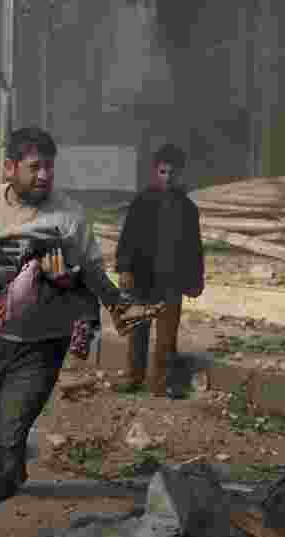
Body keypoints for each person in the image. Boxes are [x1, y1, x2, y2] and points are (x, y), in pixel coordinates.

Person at [0, 126, 129, 537]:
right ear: (11, 167)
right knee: (1, 429)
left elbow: (92, 276)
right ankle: (12, 470)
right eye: (35, 166)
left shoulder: (69, 218)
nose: (44, 175)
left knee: (7, 434)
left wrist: (84, 288)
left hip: (43, 346)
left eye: (50, 167)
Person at [114, 144, 205, 398]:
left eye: (172, 173)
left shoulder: (188, 209)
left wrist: (196, 280)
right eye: (163, 172)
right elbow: (128, 238)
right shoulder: (142, 202)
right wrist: (124, 269)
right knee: (137, 333)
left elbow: (195, 248)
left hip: (172, 283)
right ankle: (134, 377)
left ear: (181, 174)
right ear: (155, 171)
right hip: (142, 280)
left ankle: (160, 383)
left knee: (166, 338)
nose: (167, 178)